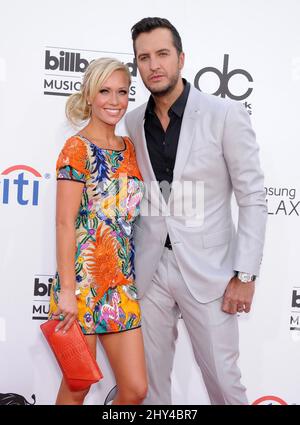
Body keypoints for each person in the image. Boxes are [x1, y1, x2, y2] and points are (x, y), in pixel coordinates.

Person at [124, 17, 268, 405]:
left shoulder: (225, 114)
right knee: (152, 386)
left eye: (162, 54)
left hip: (211, 271)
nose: (154, 65)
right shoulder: (133, 120)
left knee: (224, 383)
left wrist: (246, 273)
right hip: (151, 270)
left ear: (181, 58)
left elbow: (252, 196)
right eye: (144, 57)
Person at [48, 57, 147, 405]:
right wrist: (67, 292)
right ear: (90, 94)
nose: (114, 100)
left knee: (135, 389)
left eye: (122, 92)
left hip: (121, 286)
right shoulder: (76, 149)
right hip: (81, 287)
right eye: (105, 91)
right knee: (79, 384)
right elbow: (64, 223)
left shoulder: (131, 149)